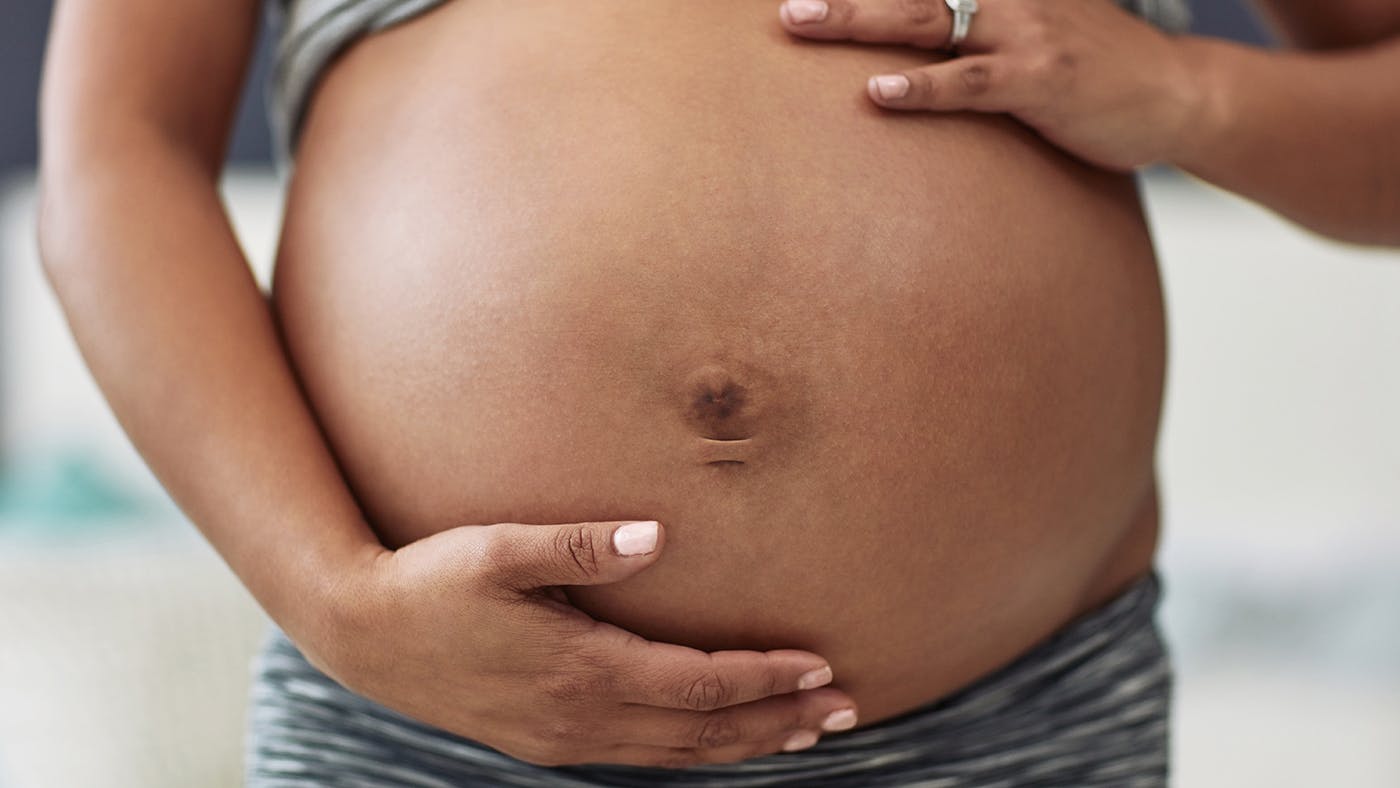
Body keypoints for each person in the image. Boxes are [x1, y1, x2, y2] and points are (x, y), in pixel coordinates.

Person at [34, 0, 1397, 785]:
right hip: (438, 702)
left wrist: (1192, 93)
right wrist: (331, 598)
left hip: (1006, 709)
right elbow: (112, 152)